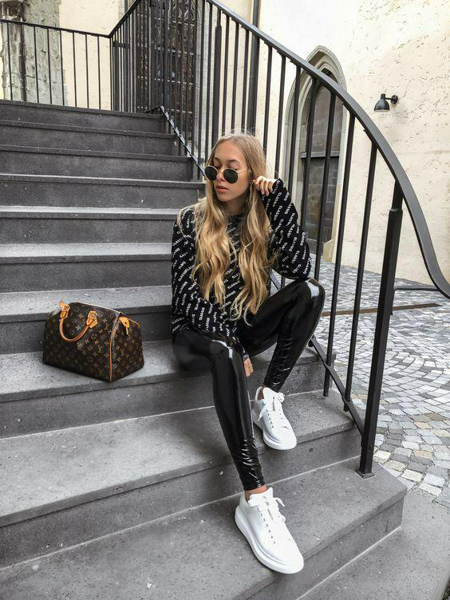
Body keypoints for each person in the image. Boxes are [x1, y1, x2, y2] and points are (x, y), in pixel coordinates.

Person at [170, 132, 325, 575]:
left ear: (253, 175)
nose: (219, 176)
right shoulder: (189, 221)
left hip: (240, 325)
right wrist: (234, 345)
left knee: (311, 292)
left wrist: (278, 202)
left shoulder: (261, 223)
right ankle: (255, 496)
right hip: (195, 333)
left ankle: (268, 396)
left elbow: (299, 269)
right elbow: (187, 298)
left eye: (231, 170)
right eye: (213, 167)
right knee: (222, 349)